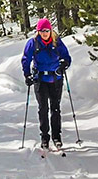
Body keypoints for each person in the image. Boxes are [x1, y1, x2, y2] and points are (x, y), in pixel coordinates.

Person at [21, 18, 72, 151]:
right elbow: (26, 59)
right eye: (42, 31)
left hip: (55, 79)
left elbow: (66, 56)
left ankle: (57, 136)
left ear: (50, 30)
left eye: (47, 30)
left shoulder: (57, 41)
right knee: (43, 108)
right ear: (38, 31)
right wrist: (27, 75)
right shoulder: (33, 43)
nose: (45, 33)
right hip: (40, 79)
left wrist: (64, 64)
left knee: (55, 107)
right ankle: (45, 136)